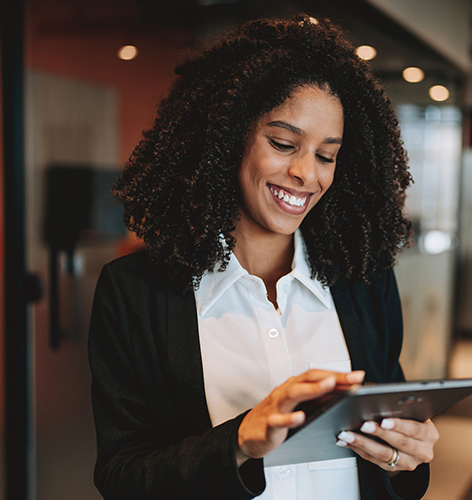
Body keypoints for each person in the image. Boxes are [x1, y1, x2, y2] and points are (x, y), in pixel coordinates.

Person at [88, 14, 437, 500]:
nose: (304, 173)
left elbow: (389, 453)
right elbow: (124, 476)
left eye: (326, 155)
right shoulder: (136, 292)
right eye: (283, 143)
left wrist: (404, 460)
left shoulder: (365, 281)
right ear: (228, 137)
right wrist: (241, 442)